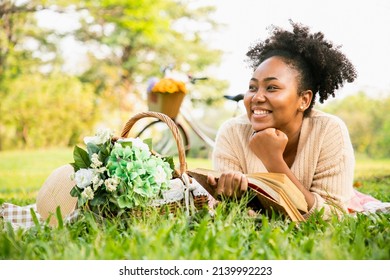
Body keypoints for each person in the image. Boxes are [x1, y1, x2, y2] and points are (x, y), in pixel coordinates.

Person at [207, 21, 386, 220]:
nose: (256, 97)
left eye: (272, 88)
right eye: (252, 87)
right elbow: (219, 206)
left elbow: (332, 215)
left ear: (304, 100)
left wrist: (273, 161)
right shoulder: (232, 132)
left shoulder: (329, 130)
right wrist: (230, 195)